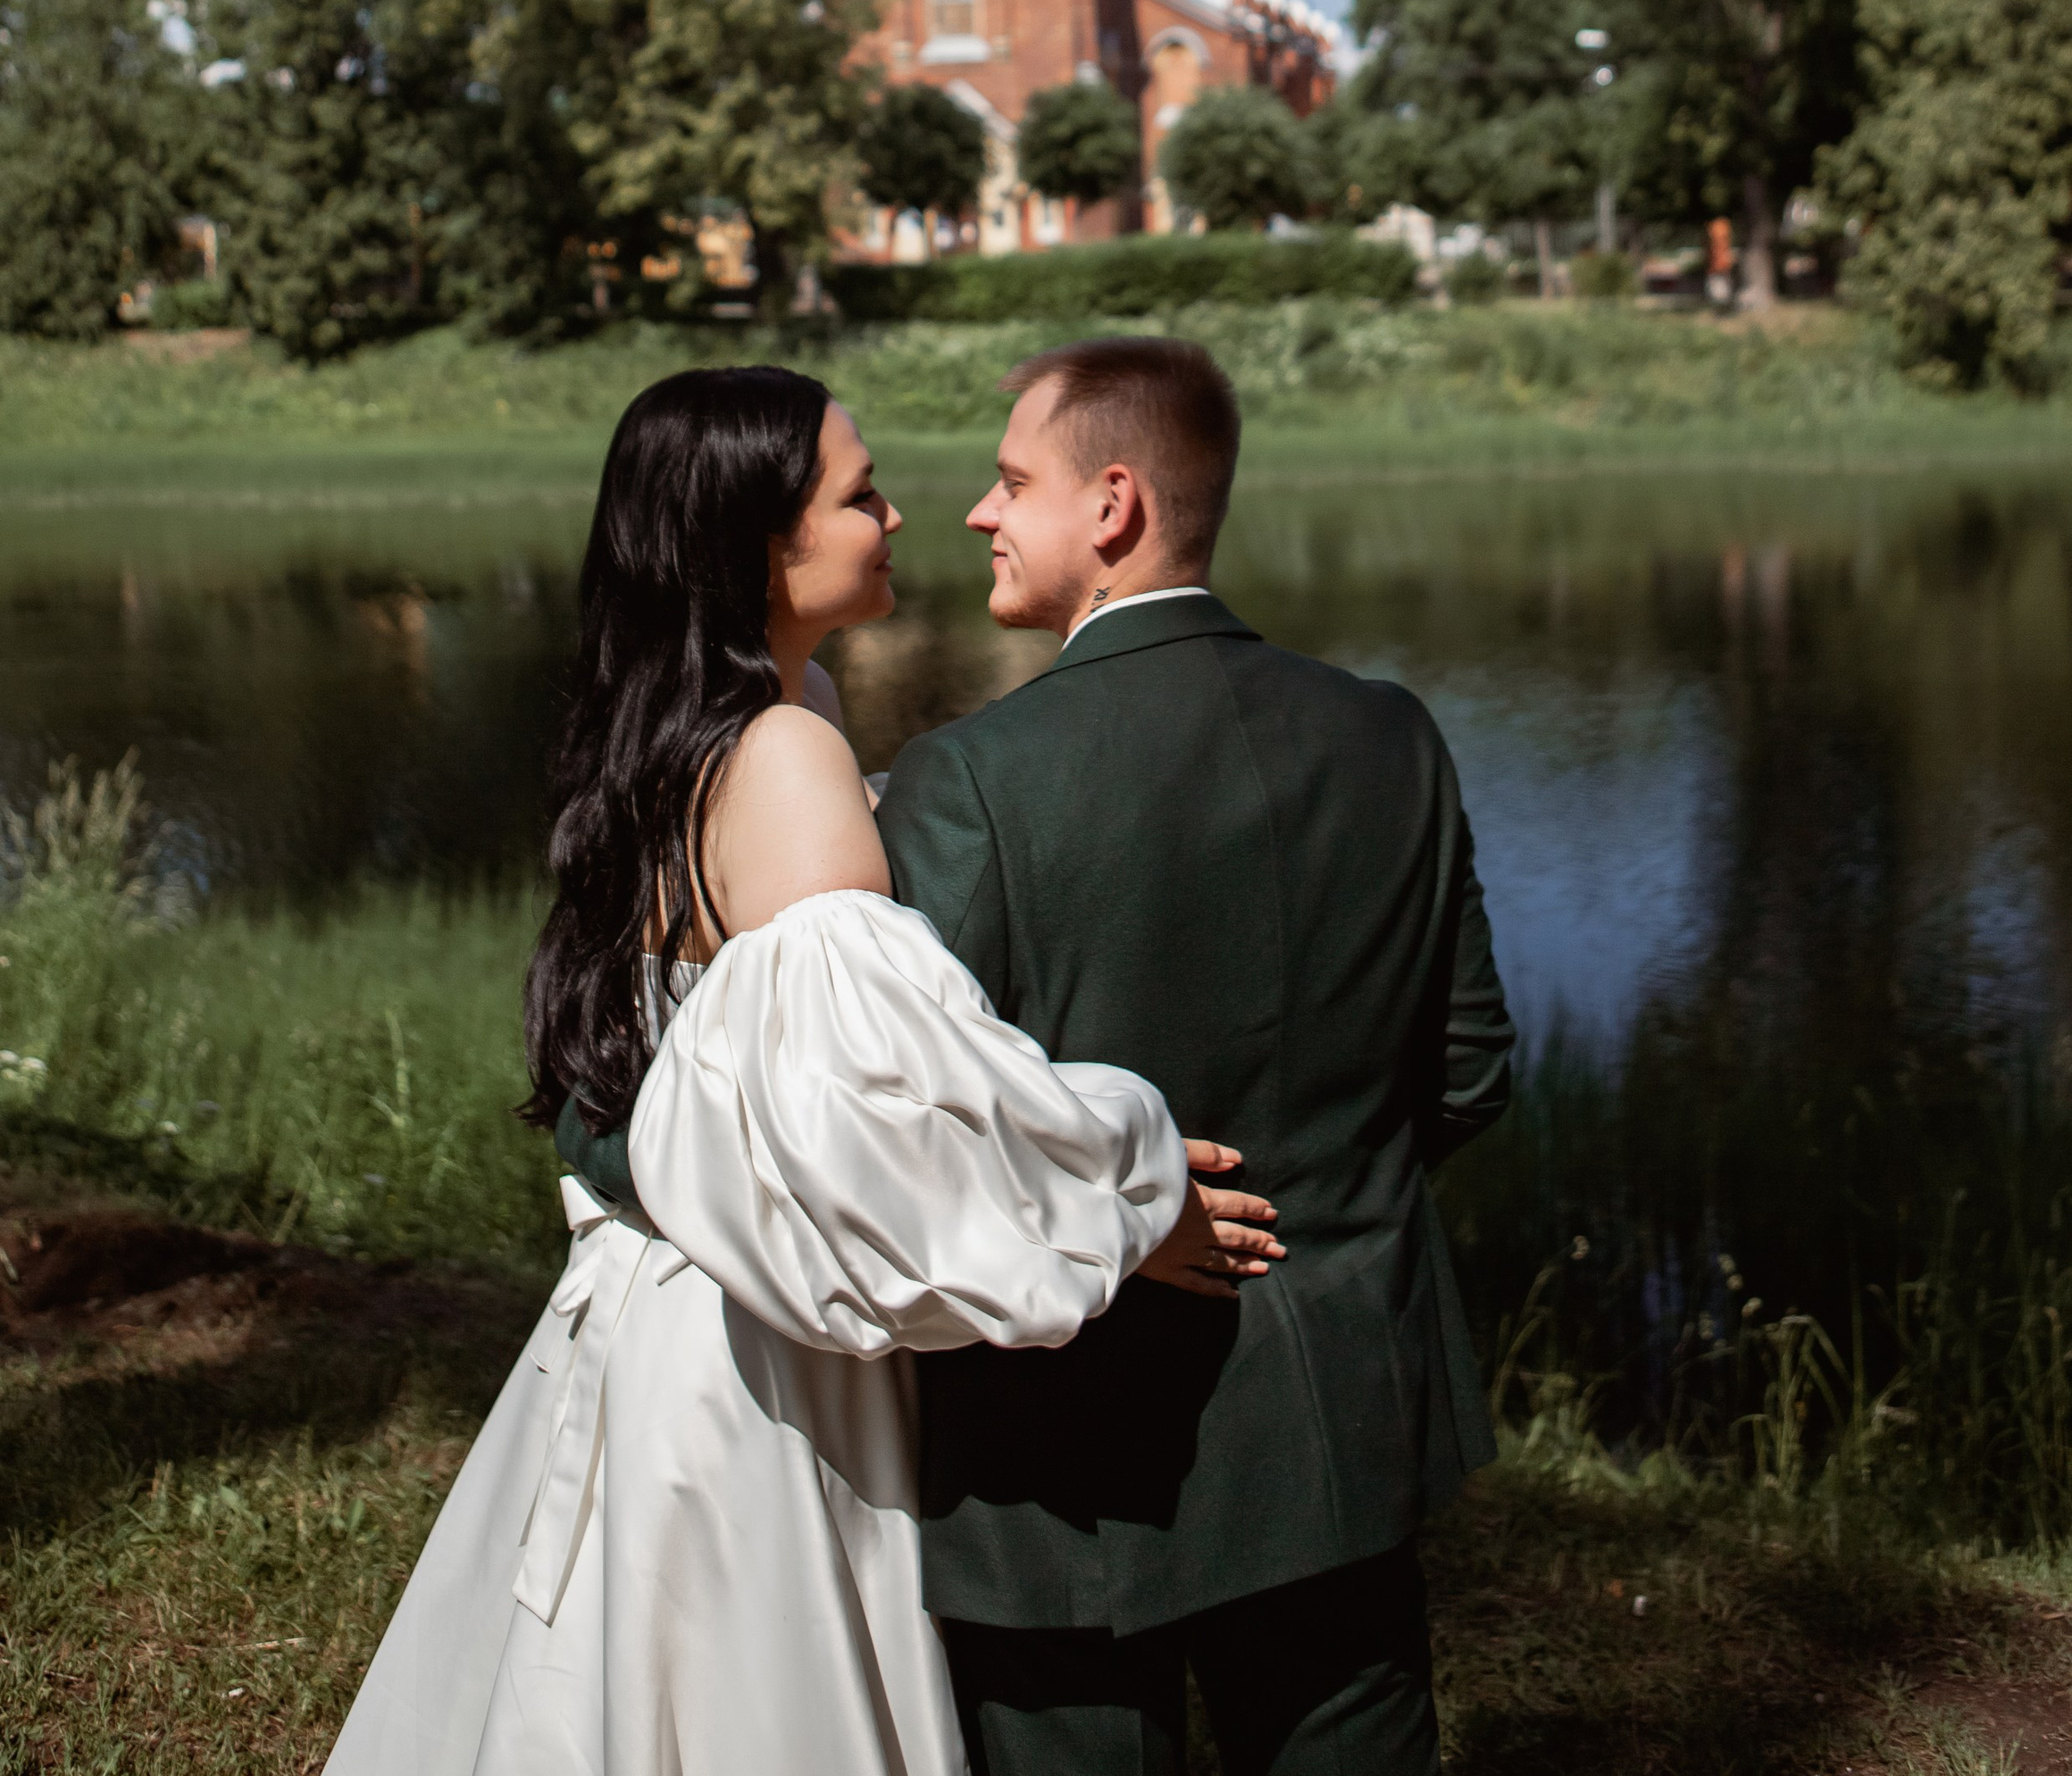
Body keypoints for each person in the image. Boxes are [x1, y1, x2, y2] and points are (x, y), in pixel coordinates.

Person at [325, 363, 1278, 1776]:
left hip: (661, 1297)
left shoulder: (719, 713)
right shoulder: (780, 751)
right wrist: (1131, 1198)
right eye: (858, 493)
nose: (902, 514)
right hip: (759, 1337)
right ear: (763, 544)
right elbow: (876, 1131)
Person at [876, 336, 1516, 1776]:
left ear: (1111, 505)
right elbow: (1469, 1070)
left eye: (1008, 479)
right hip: (1343, 1406)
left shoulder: (970, 780)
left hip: (1067, 1450)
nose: (979, 512)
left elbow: (911, 1130)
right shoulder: (1393, 736)